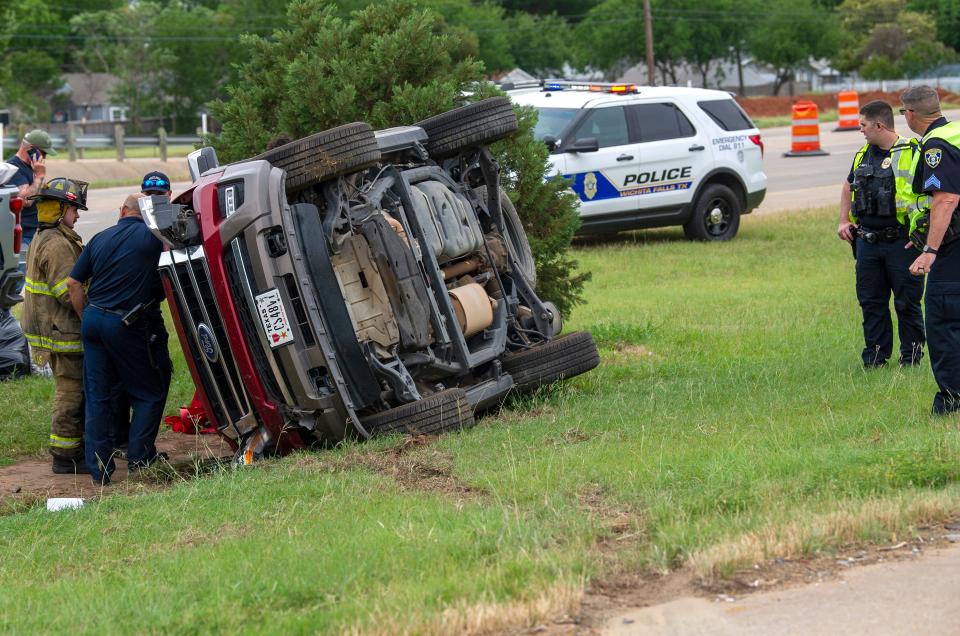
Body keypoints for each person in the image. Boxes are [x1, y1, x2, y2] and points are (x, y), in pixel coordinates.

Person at [66, 193, 172, 483]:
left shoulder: (100, 237)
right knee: (149, 393)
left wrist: (85, 315)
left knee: (98, 396)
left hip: (93, 322)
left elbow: (73, 283)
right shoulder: (153, 238)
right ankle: (139, 459)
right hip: (124, 323)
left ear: (122, 210)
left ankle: (99, 471)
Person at [837, 100, 926, 368]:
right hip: (867, 242)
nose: (859, 129)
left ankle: (911, 358)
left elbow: (936, 194)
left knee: (907, 303)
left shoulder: (914, 151)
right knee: (871, 302)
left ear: (879, 125)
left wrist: (924, 232)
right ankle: (875, 358)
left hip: (903, 242)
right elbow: (848, 186)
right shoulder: (863, 153)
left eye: (863, 125)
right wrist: (843, 220)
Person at [21, 178, 88, 474]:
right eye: (74, 209)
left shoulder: (45, 236)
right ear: (60, 210)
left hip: (54, 328)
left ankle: (72, 449)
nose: (78, 215)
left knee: (72, 389)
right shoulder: (58, 244)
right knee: (71, 391)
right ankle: (66, 456)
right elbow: (66, 291)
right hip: (63, 331)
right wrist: (90, 314)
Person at [901, 86, 960, 414]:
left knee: (944, 323)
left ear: (910, 114)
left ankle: (952, 402)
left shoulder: (936, 145)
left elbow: (947, 198)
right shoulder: (956, 132)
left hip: (952, 252)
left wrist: (930, 249)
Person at [7, 130, 56, 288]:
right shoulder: (13, 168)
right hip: (23, 236)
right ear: (32, 150)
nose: (45, 158)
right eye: (43, 153)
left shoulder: (31, 168)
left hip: (35, 233)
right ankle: (4, 313)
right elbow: (25, 199)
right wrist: (40, 176)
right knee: (16, 281)